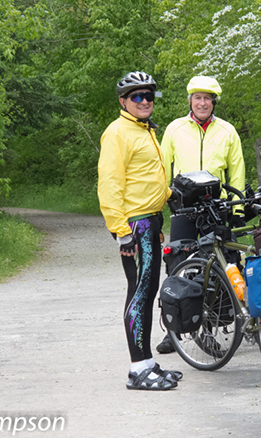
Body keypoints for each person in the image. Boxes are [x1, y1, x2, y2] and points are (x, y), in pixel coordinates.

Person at [97, 71, 183, 390]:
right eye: (137, 96)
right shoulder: (118, 133)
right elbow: (110, 184)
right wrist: (121, 231)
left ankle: (147, 362)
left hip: (151, 220)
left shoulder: (143, 130)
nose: (145, 101)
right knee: (139, 292)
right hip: (136, 225)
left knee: (148, 294)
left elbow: (145, 177)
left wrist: (172, 194)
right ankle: (137, 370)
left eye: (149, 95)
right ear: (123, 101)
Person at [157, 75, 245, 354]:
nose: (203, 102)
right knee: (177, 264)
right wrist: (164, 200)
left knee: (215, 267)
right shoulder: (175, 129)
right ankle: (174, 329)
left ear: (213, 101)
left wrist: (238, 209)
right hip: (183, 207)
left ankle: (209, 325)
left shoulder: (227, 131)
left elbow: (237, 171)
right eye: (198, 97)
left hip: (215, 208)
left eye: (207, 98)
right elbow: (161, 167)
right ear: (190, 101)